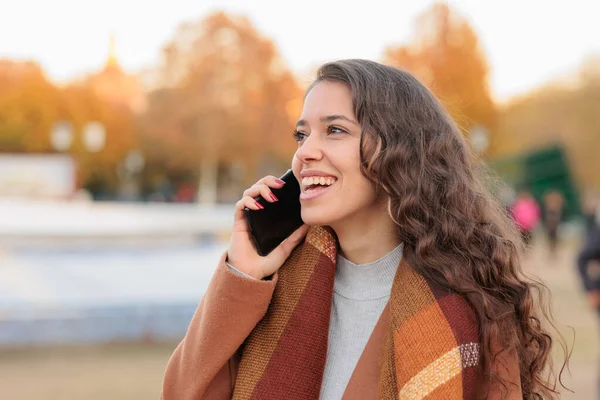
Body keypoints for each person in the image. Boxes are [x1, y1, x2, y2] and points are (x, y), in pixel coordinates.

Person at [162, 60, 567, 399]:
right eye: (301, 134)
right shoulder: (271, 283)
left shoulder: (470, 307)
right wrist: (240, 275)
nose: (305, 152)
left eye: (334, 130)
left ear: (401, 154)